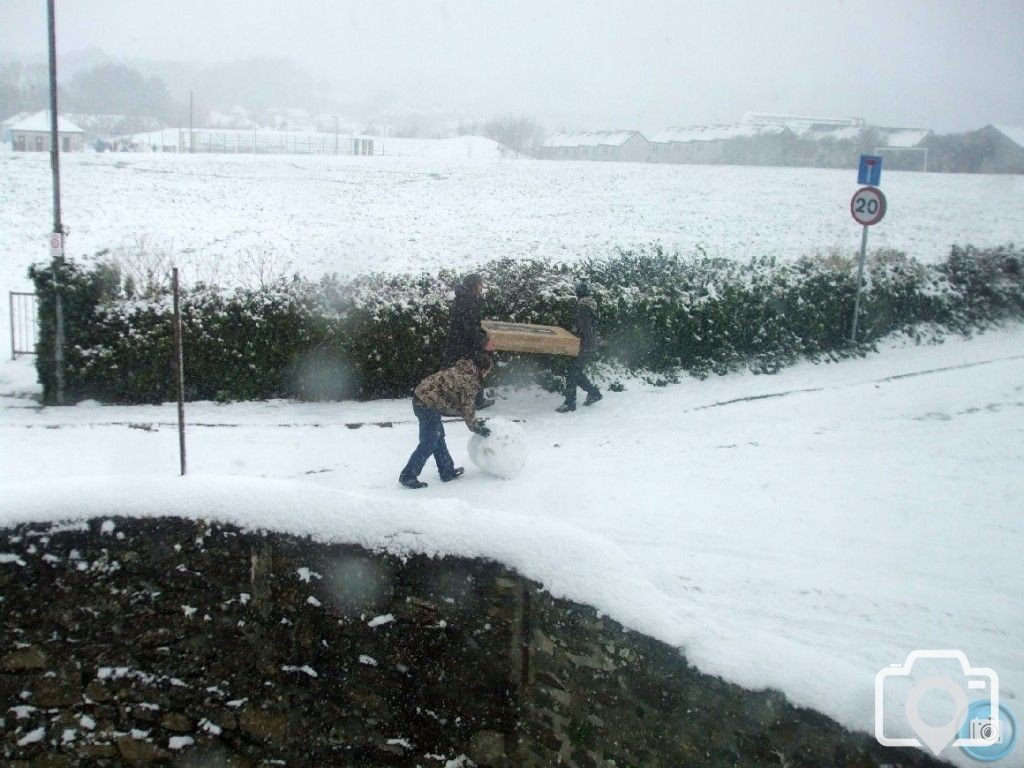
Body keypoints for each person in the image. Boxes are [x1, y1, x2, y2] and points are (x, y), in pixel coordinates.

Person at [399, 353, 493, 489]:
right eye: (488, 371)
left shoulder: (464, 370)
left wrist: (475, 423)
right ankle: (408, 475)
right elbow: (467, 407)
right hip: (427, 404)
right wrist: (476, 427)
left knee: (438, 437)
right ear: (483, 369)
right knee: (430, 441)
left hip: (423, 400)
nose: (487, 374)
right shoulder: (470, 381)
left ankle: (447, 470)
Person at [442, 273, 495, 410]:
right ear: (474, 286)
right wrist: (484, 341)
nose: (482, 287)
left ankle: (476, 400)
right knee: (466, 372)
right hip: (462, 345)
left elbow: (472, 325)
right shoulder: (467, 302)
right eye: (480, 284)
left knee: (472, 370)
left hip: (459, 343)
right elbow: (470, 328)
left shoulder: (464, 298)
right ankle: (452, 405)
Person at [557, 281, 602, 413]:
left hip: (584, 344)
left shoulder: (583, 308)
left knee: (572, 372)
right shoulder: (591, 305)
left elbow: (583, 328)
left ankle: (570, 403)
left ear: (579, 293)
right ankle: (593, 393)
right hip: (590, 343)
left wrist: (578, 340)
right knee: (576, 371)